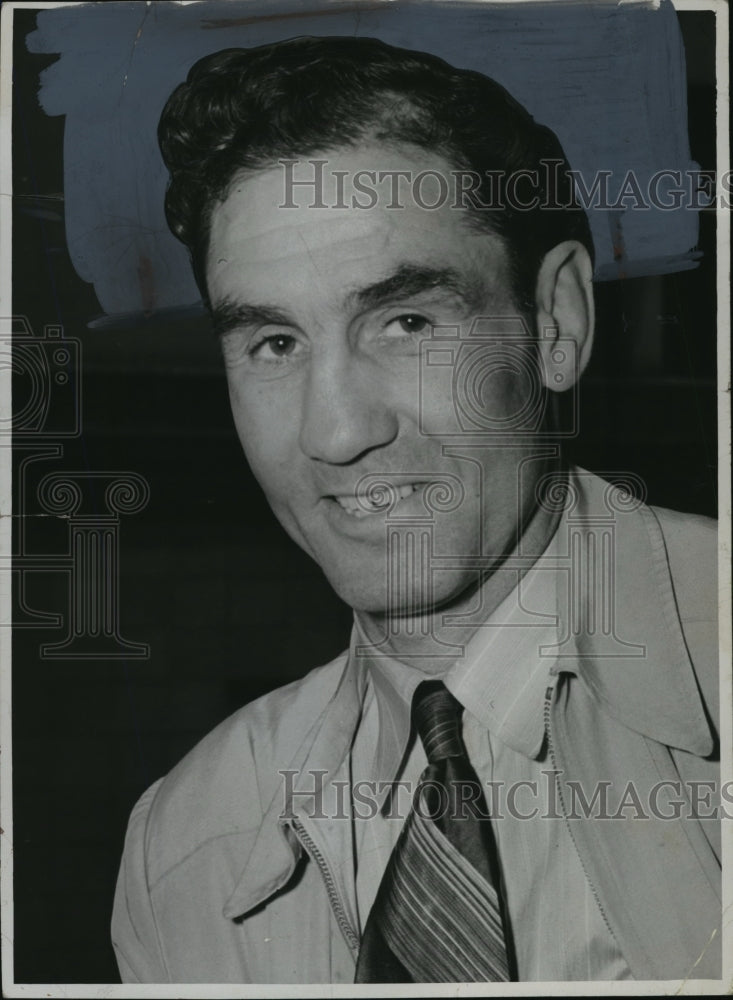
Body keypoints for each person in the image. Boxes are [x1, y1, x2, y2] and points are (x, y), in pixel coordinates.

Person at [111, 36, 720, 984]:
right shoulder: (182, 847)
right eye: (273, 342)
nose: (336, 432)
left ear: (554, 323)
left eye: (406, 323)